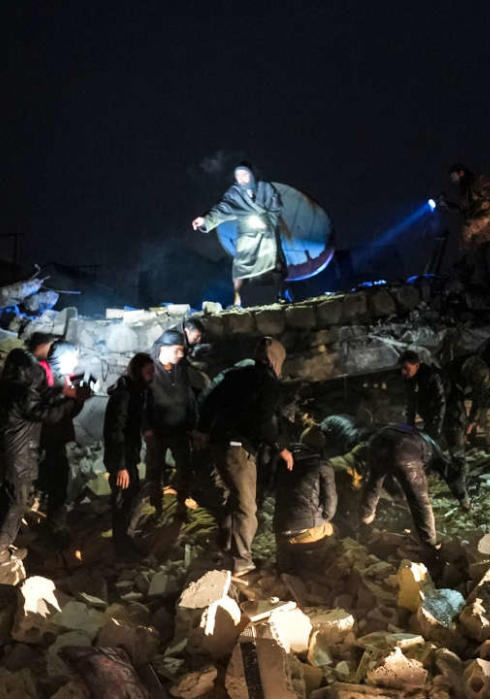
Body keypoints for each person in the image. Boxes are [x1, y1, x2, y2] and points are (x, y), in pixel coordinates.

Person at [196, 337, 293, 576]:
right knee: (247, 507)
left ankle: (227, 548)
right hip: (239, 448)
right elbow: (264, 421)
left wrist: (203, 430)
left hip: (218, 444)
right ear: (276, 359)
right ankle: (242, 561)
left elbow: (209, 400)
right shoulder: (267, 382)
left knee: (233, 498)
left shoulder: (234, 374)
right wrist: (281, 447)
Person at [0, 349, 89, 564]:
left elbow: (38, 406)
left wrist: (60, 394)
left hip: (2, 454)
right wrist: (74, 399)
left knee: (4, 498)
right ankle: (1, 550)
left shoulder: (0, 391)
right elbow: (47, 415)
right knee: (18, 502)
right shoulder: (22, 393)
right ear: (24, 371)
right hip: (19, 456)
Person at [358, 424, 454, 572]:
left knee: (374, 481)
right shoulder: (434, 452)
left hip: (377, 443)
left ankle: (365, 518)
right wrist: (463, 499)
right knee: (420, 500)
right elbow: (446, 476)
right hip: (403, 450)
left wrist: (399, 496)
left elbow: (386, 475)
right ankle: (430, 545)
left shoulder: (418, 437)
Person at [192, 163, 287, 307]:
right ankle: (238, 301)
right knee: (240, 270)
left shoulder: (265, 189)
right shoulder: (235, 193)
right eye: (238, 176)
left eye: (245, 175)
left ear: (252, 175)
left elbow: (275, 209)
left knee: (272, 267)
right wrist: (205, 220)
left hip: (266, 236)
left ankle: (278, 296)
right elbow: (222, 209)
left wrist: (266, 222)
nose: (241, 179)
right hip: (246, 236)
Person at [399, 351, 469, 508]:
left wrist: (435, 430)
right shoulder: (411, 380)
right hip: (434, 419)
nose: (403, 372)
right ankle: (454, 484)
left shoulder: (432, 376)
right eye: (402, 369)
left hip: (452, 416)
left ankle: (463, 494)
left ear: (417, 365)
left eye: (406, 368)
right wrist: (409, 428)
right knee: (436, 455)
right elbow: (410, 405)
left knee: (456, 454)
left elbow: (440, 403)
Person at [103, 353, 154, 557]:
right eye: (148, 371)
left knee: (129, 497)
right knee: (123, 500)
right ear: (138, 371)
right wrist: (120, 466)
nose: (152, 375)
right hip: (121, 459)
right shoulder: (124, 395)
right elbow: (117, 431)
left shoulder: (136, 392)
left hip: (128, 455)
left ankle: (125, 541)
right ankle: (122, 547)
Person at [146, 330, 199, 521]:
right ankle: (156, 508)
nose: (181, 355)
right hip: (157, 432)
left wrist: (193, 425)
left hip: (180, 431)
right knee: (155, 469)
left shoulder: (180, 370)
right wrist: (147, 429)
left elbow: (190, 398)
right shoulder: (149, 371)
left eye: (182, 351)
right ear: (164, 348)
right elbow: (141, 402)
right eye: (177, 350)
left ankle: (181, 507)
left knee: (185, 468)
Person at [35, 340, 86, 536]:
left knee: (57, 483)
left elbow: (68, 414)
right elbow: (50, 414)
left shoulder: (63, 379)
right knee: (51, 483)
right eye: (73, 357)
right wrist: (72, 397)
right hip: (41, 441)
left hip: (56, 440)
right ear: (64, 358)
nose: (77, 361)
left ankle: (52, 525)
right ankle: (50, 528)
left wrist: (78, 398)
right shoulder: (41, 377)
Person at [272, 426, 337, 574]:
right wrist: (324, 519)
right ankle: (313, 569)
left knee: (286, 555)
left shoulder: (282, 460)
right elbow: (330, 505)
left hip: (280, 528)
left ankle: (284, 568)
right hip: (307, 531)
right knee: (333, 529)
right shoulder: (323, 465)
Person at [447, 163, 490, 290]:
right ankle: (484, 282)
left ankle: (465, 263)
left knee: (467, 228)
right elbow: (465, 210)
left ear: (460, 173)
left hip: (487, 216)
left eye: (453, 176)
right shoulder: (464, 191)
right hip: (478, 220)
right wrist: (448, 206)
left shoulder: (477, 182)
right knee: (478, 253)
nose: (453, 180)